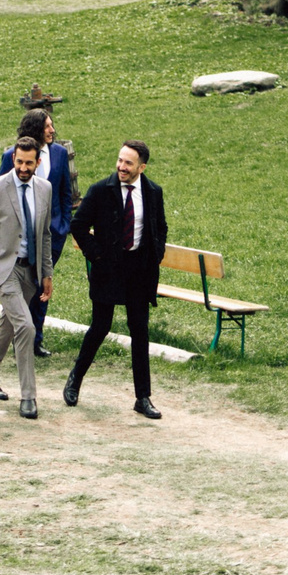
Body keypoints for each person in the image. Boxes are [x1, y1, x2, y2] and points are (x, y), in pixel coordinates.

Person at [64, 140, 168, 418]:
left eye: (129, 163)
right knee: (100, 327)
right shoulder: (101, 190)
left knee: (140, 332)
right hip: (108, 269)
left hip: (139, 271)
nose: (122, 167)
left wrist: (155, 255)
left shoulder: (153, 192)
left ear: (142, 167)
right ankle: (75, 378)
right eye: (120, 161)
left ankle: (142, 397)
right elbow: (78, 226)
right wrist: (97, 256)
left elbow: (160, 227)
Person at [0, 136, 54, 418]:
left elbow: (44, 234)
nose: (23, 167)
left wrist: (47, 273)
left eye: (29, 163)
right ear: (13, 159)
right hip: (2, 269)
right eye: (19, 161)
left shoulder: (45, 188)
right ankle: (28, 397)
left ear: (37, 163)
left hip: (30, 271)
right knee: (26, 327)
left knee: (8, 323)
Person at [21, 109, 77, 357]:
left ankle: (36, 340)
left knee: (44, 286)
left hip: (52, 235)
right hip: (23, 237)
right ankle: (20, 337)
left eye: (52, 126)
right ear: (35, 129)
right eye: (47, 126)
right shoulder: (15, 156)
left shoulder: (59, 154)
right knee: (24, 288)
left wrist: (64, 224)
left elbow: (66, 192)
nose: (52, 130)